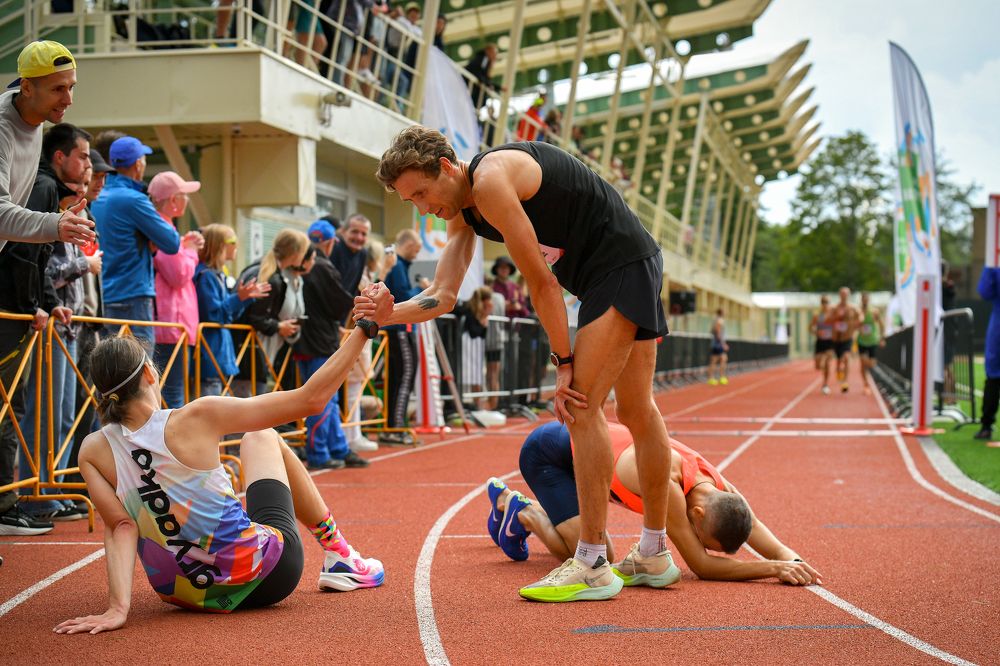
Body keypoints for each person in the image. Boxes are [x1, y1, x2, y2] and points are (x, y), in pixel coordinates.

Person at [366, 126, 672, 602]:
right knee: (636, 410)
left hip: (619, 263)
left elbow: (543, 284)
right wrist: (391, 314)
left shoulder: (490, 182)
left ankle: (591, 563)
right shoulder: (463, 212)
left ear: (447, 167)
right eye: (412, 202)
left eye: (422, 193)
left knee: (581, 405)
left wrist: (563, 363)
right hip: (624, 263)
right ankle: (653, 552)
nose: (423, 208)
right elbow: (443, 296)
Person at [52, 285, 394, 634]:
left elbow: (121, 526)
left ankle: (320, 555)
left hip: (186, 596)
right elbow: (310, 400)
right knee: (261, 434)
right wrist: (365, 327)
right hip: (268, 578)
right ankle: (341, 556)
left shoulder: (92, 449)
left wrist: (117, 609)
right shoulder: (197, 416)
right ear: (150, 375)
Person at [487, 422, 823, 588]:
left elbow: (754, 524)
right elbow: (702, 567)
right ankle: (525, 513)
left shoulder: (717, 485)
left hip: (586, 456)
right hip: (548, 455)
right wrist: (774, 569)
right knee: (595, 555)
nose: (694, 536)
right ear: (698, 515)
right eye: (701, 534)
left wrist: (789, 557)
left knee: (600, 552)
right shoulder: (670, 488)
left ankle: (541, 512)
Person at [14, 122, 97, 522]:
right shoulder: (44, 189)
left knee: (63, 414)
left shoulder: (51, 190)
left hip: (61, 322)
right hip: (43, 324)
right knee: (40, 412)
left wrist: (46, 302)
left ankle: (51, 488)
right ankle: (37, 491)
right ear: (60, 157)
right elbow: (37, 259)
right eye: (82, 157)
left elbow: (42, 262)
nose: (87, 170)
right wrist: (39, 302)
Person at [0, 40, 95, 253]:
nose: (68, 99)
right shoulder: (2, 128)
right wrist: (54, 224)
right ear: (26, 88)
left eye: (71, 87)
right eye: (58, 89)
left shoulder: (35, 115)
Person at [91, 136, 181, 350]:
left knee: (107, 368)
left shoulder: (97, 196)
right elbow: (171, 242)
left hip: (101, 296)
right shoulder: (134, 199)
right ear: (139, 164)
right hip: (132, 296)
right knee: (139, 370)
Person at [295, 219, 368, 468]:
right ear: (331, 242)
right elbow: (339, 302)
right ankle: (318, 453)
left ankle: (338, 447)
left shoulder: (306, 264)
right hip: (319, 340)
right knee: (321, 396)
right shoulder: (321, 266)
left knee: (329, 396)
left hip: (310, 338)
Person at [193, 224, 270, 398]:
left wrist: (244, 299)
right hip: (211, 354)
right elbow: (214, 315)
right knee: (212, 411)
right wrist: (239, 299)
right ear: (220, 245)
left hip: (219, 355)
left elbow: (229, 316)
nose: (236, 245)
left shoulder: (217, 274)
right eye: (232, 241)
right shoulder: (206, 275)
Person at [149, 171, 204, 409]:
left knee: (172, 395)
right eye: (184, 195)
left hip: (173, 326)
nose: (187, 201)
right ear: (172, 201)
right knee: (172, 398)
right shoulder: (160, 227)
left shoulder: (164, 226)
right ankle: (168, 446)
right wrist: (190, 250)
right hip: (170, 326)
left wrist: (184, 245)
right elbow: (178, 274)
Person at [235, 229, 310, 397]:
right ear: (296, 253)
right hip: (248, 349)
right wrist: (278, 326)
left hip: (250, 349)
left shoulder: (267, 270)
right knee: (248, 401)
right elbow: (256, 317)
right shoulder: (269, 275)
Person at [380, 228, 424, 445]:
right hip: (400, 331)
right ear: (407, 246)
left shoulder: (398, 265)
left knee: (400, 378)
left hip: (400, 330)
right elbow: (403, 297)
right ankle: (394, 427)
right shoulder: (396, 265)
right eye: (416, 250)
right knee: (404, 377)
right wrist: (422, 289)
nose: (416, 255)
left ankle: (394, 425)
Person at [976, 267, 1000, 440]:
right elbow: (984, 292)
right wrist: (990, 271)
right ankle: (986, 425)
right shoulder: (995, 268)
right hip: (998, 334)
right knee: (993, 378)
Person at [330, 213, 370, 297]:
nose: (359, 237)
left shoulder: (363, 253)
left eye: (364, 234)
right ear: (343, 231)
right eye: (354, 231)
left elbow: (355, 286)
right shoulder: (333, 248)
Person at [855, 293, 884, 395]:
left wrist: (882, 338)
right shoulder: (858, 311)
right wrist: (859, 325)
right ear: (861, 300)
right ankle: (866, 384)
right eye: (863, 299)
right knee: (863, 363)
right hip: (861, 341)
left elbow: (881, 324)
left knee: (871, 364)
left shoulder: (874, 311)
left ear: (869, 300)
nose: (865, 301)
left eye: (866, 299)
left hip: (872, 340)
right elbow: (855, 325)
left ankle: (870, 377)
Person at [830, 286, 857, 394]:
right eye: (842, 294)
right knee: (839, 360)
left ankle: (845, 381)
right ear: (839, 295)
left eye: (846, 294)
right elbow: (828, 319)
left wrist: (855, 324)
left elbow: (860, 318)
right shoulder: (834, 308)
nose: (844, 296)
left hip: (847, 338)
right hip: (837, 339)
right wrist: (837, 316)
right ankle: (839, 371)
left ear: (848, 295)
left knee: (846, 358)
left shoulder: (853, 308)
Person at [809, 295, 835, 395]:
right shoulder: (817, 316)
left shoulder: (832, 315)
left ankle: (825, 384)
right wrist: (816, 332)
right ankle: (825, 372)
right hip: (820, 342)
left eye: (827, 302)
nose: (825, 304)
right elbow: (810, 327)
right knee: (818, 366)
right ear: (821, 304)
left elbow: (839, 326)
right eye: (823, 302)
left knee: (827, 363)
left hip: (830, 342)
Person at [465, 43, 498, 110]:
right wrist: (488, 84)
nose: (495, 56)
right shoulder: (484, 59)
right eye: (494, 53)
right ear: (488, 51)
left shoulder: (484, 60)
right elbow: (479, 73)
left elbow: (484, 76)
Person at [707, 308, 728, 386]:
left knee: (716, 360)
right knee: (720, 359)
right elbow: (718, 331)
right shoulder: (719, 320)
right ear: (721, 313)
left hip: (715, 343)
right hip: (718, 344)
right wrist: (723, 343)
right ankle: (719, 377)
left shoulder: (715, 320)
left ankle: (713, 377)